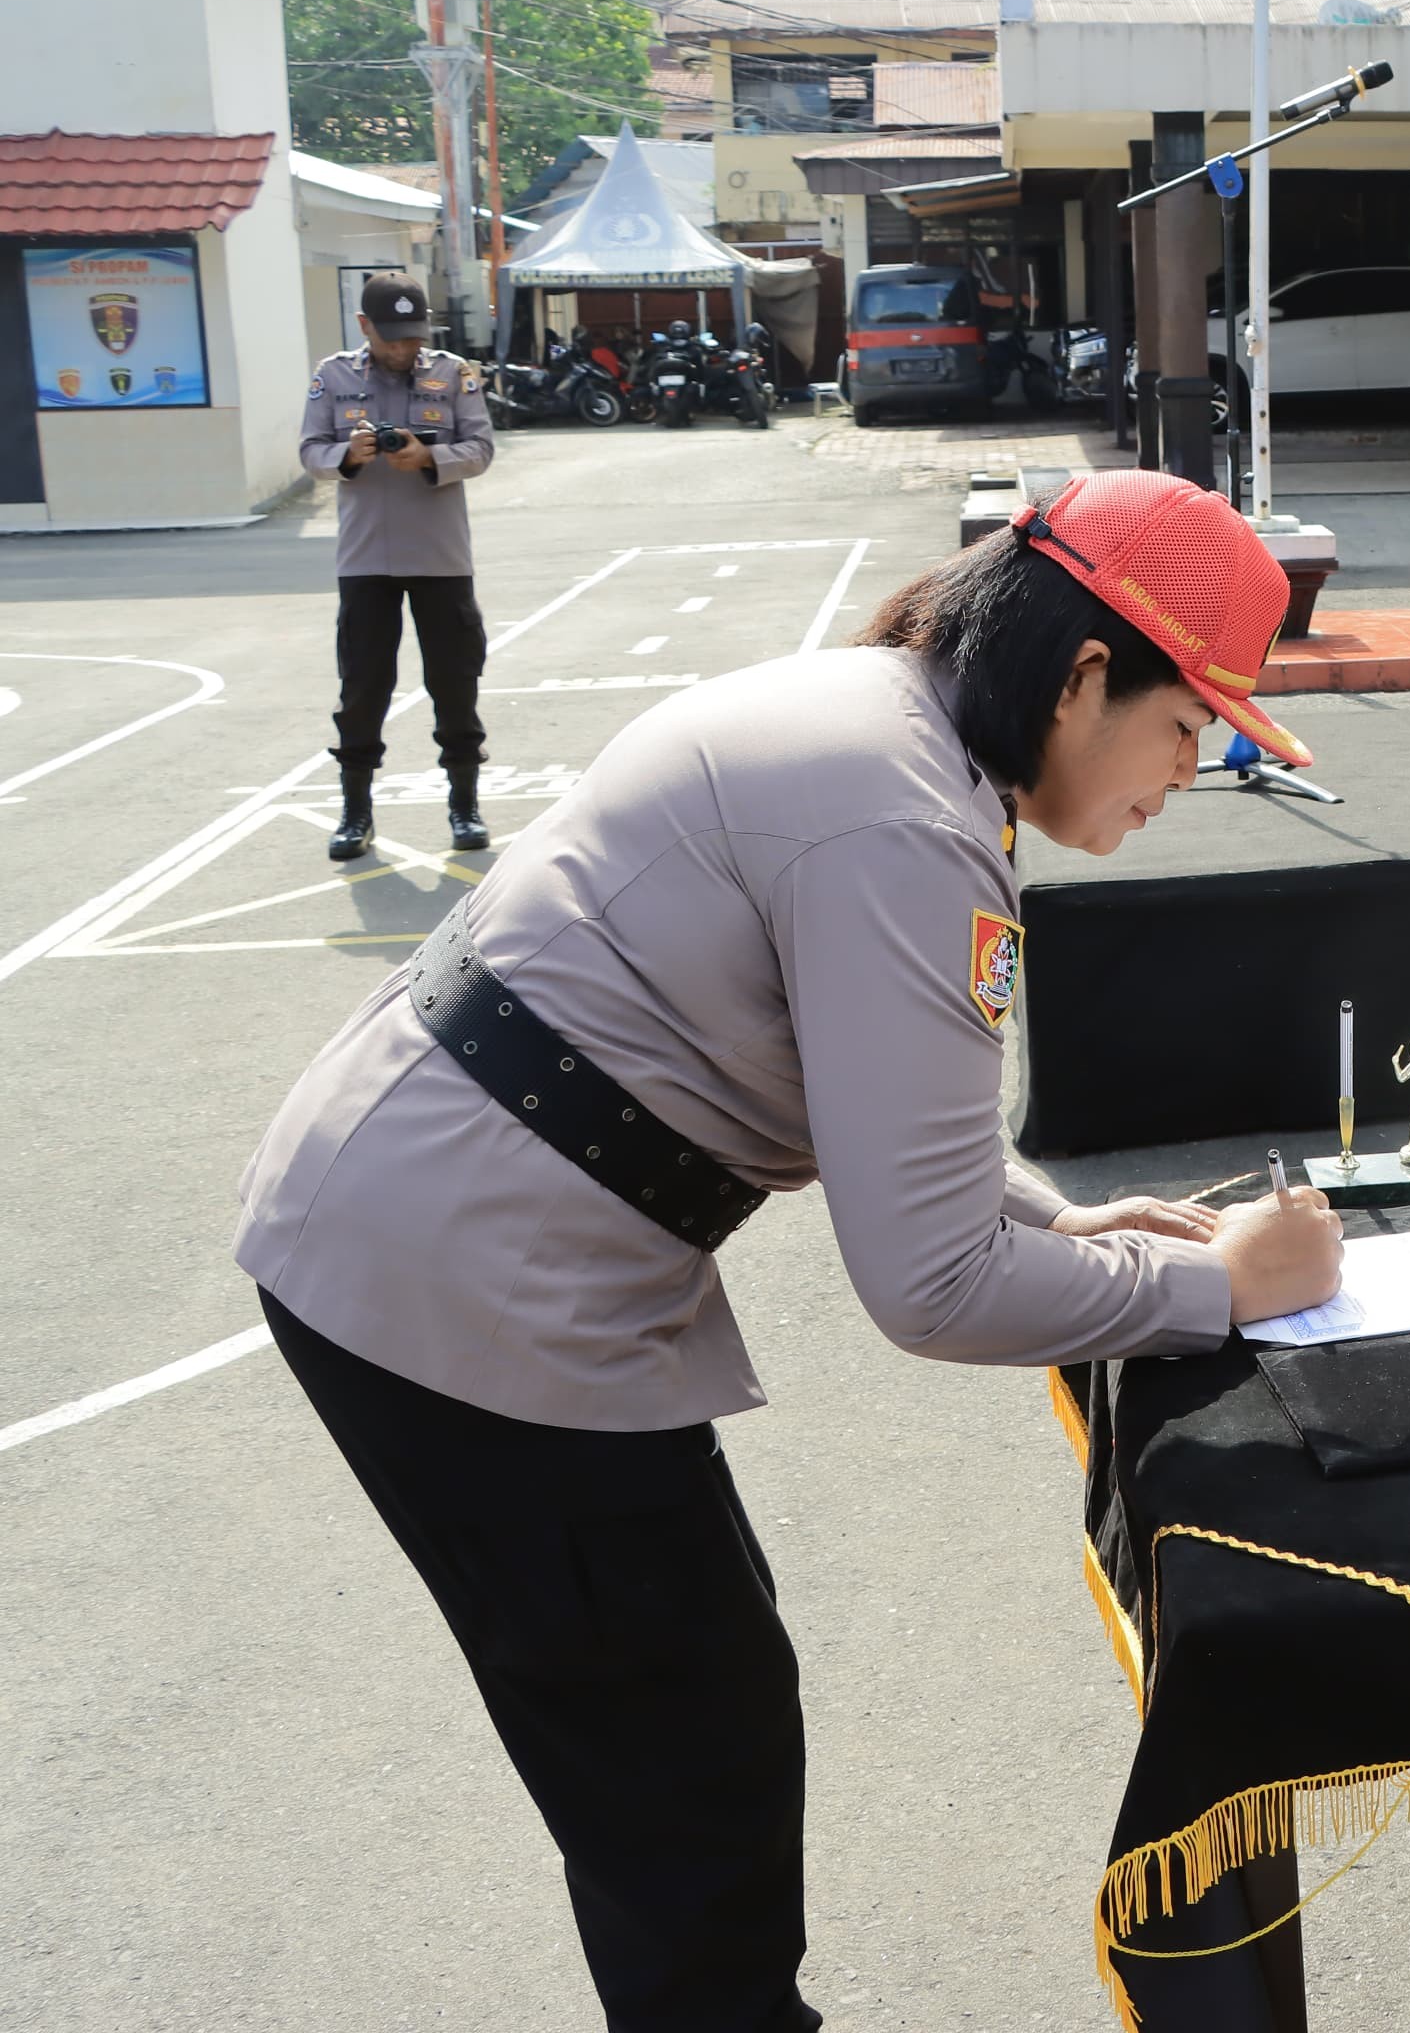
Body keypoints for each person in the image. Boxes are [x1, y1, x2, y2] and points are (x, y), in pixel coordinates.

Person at [234, 472, 1348, 2033]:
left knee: (697, 1722)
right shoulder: (905, 825)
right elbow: (933, 1285)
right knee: (682, 1779)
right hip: (470, 1287)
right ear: (1088, 672)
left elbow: (885, 1111)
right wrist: (1221, 1285)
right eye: (1192, 724)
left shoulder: (879, 716)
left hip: (429, 1213)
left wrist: (1060, 1218)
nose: (1198, 769)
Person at [299, 271, 498, 861]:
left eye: (414, 337)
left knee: (454, 683)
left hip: (440, 557)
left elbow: (482, 447)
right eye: (393, 339)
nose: (405, 349)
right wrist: (347, 455)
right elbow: (310, 450)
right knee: (362, 687)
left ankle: (464, 804)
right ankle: (355, 810)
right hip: (366, 560)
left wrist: (430, 455)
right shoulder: (332, 376)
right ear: (365, 327)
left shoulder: (454, 373)